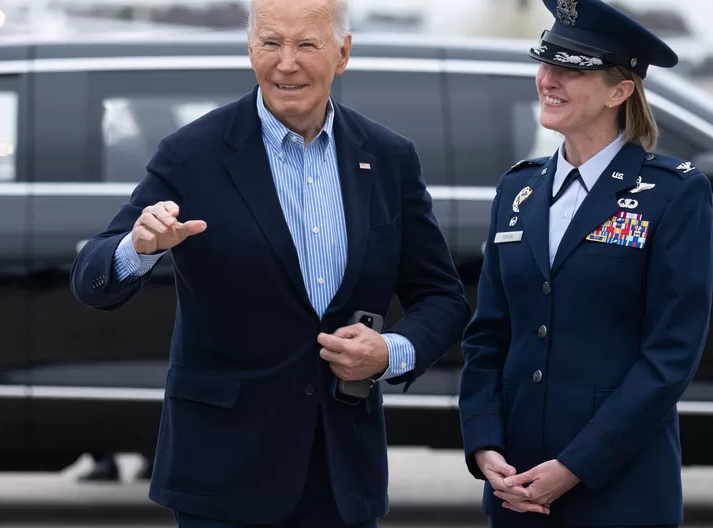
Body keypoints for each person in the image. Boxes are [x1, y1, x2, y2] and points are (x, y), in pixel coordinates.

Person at [70, 0, 470, 525]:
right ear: (250, 49)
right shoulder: (193, 153)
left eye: (306, 44)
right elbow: (91, 279)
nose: (286, 63)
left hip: (340, 473)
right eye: (270, 43)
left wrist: (390, 351)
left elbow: (441, 298)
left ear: (342, 53)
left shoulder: (388, 157)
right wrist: (137, 248)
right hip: (222, 474)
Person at [458, 0, 713, 527]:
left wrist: (576, 464)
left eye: (571, 68)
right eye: (545, 62)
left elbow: (670, 356)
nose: (547, 80)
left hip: (620, 487)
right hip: (517, 486)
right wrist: (485, 445)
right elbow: (488, 336)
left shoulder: (674, 194)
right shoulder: (517, 189)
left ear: (620, 91)